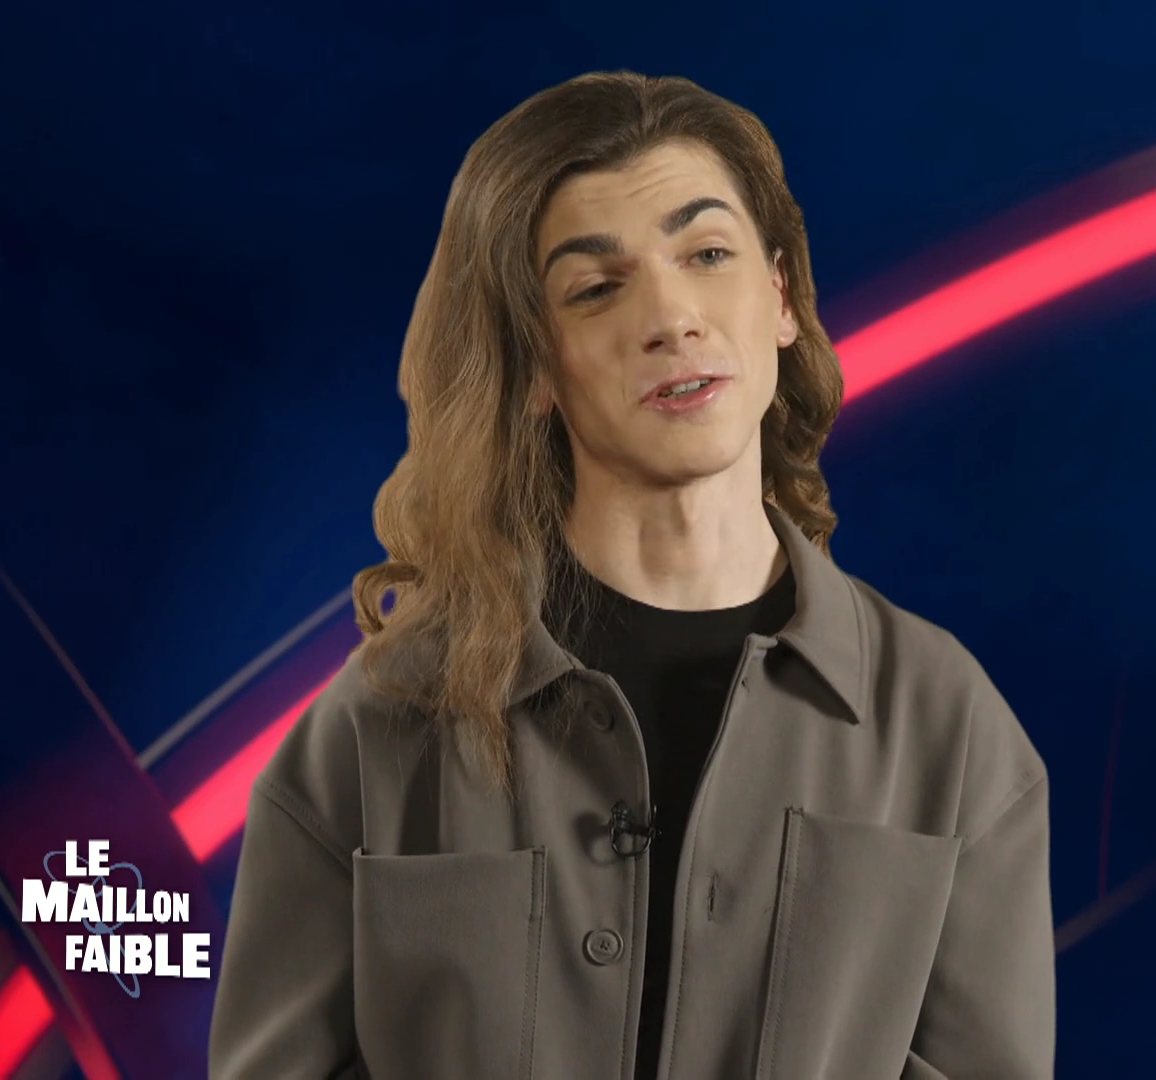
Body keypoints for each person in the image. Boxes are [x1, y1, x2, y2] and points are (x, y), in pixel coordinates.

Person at [209, 70, 1054, 1080]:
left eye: (708, 254)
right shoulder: (375, 729)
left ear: (781, 298)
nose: (672, 317)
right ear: (533, 366)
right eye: (596, 288)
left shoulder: (950, 728)